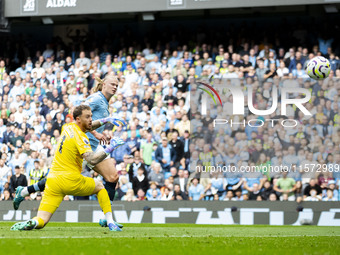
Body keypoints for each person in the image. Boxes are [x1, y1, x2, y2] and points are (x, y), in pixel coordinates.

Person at [13, 75, 126, 229]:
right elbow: (81, 114)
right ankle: (25, 191)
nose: (114, 87)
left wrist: (99, 132)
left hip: (93, 146)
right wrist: (97, 134)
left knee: (112, 177)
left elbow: (89, 120)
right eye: (112, 84)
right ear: (103, 84)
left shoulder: (104, 103)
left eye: (117, 85)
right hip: (82, 147)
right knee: (63, 178)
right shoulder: (96, 98)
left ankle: (107, 218)